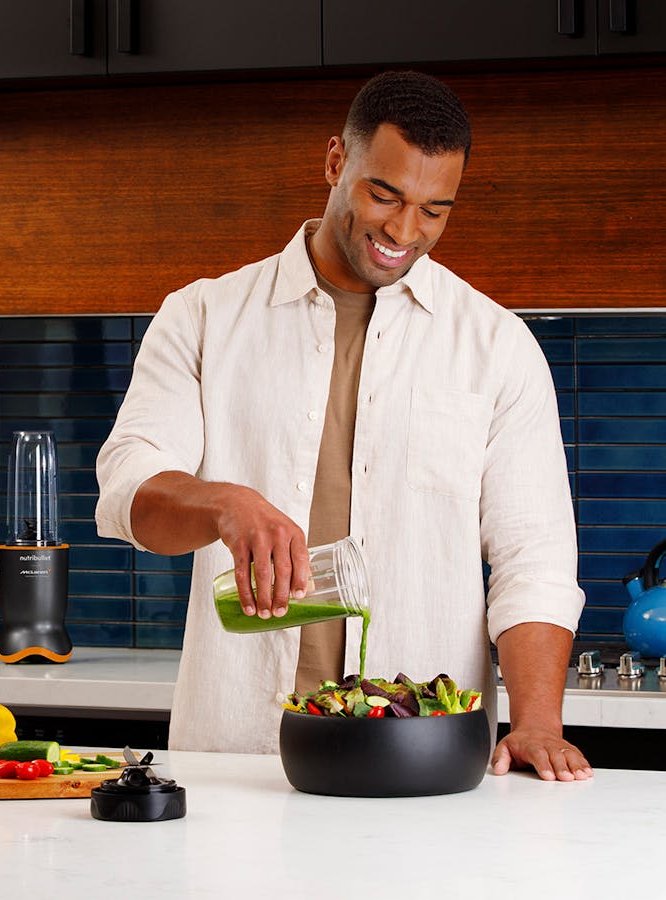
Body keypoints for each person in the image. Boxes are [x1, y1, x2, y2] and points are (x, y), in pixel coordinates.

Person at [95, 70, 592, 782]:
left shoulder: (494, 344)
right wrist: (222, 504)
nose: (402, 231)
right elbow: (127, 493)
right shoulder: (202, 317)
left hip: (420, 760)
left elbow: (534, 558)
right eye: (382, 194)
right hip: (235, 761)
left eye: (433, 211)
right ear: (335, 161)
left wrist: (537, 723)